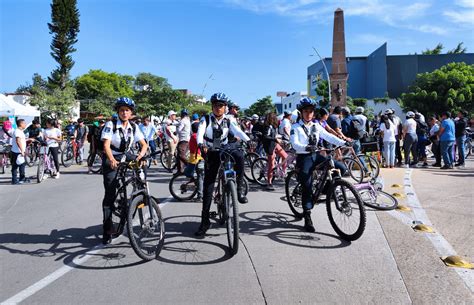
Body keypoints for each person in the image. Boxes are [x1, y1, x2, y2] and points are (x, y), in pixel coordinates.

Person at [195, 93, 250, 237]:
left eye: (221, 105)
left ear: (225, 107)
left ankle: (238, 189)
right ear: (212, 106)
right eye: (215, 105)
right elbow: (200, 133)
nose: (218, 108)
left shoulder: (229, 120)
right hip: (211, 151)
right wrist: (201, 144)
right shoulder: (205, 119)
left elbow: (238, 131)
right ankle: (205, 221)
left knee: (239, 155)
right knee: (208, 186)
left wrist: (249, 140)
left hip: (225, 149)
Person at [290, 97, 349, 233]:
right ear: (301, 112)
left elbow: (329, 136)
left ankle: (325, 190)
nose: (309, 114)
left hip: (316, 155)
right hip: (304, 157)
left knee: (341, 168)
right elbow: (295, 144)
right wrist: (306, 147)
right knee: (307, 185)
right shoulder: (296, 127)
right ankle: (307, 215)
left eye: (311, 111)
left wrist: (344, 142)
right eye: (306, 111)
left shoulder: (316, 126)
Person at [100, 97, 147, 244]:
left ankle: (138, 198)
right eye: (122, 110)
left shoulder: (134, 126)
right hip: (112, 157)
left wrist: (140, 156)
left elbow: (144, 144)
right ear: (118, 112)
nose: (124, 113)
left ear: (131, 112)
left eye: (127, 110)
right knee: (110, 194)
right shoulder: (111, 124)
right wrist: (112, 161)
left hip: (126, 155)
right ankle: (107, 230)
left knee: (142, 170)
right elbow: (106, 145)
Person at [262, 112, 288, 191]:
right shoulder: (267, 126)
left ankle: (283, 172)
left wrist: (283, 138)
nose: (276, 119)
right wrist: (275, 139)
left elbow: (275, 135)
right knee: (271, 165)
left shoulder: (274, 126)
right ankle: (269, 183)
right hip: (269, 146)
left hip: (275, 144)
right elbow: (265, 136)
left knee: (286, 156)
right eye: (275, 117)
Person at [184, 121, 204, 201]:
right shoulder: (196, 137)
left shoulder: (193, 136)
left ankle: (199, 189)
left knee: (200, 176)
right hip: (197, 159)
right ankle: (200, 195)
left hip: (194, 158)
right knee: (201, 177)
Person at [10, 119, 28, 185]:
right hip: (17, 151)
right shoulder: (17, 131)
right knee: (15, 166)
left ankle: (21, 178)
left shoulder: (20, 131)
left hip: (18, 151)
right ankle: (15, 180)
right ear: (21, 124)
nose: (25, 125)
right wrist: (22, 150)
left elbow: (21, 140)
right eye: (24, 123)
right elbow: (18, 141)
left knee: (21, 165)